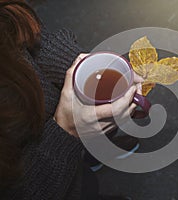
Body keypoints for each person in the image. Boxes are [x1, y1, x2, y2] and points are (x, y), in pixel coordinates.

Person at [0, 0, 141, 199]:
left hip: (74, 164)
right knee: (85, 189)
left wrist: (80, 69)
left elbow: (15, 29)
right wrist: (67, 130)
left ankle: (94, 153)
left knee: (86, 175)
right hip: (55, 182)